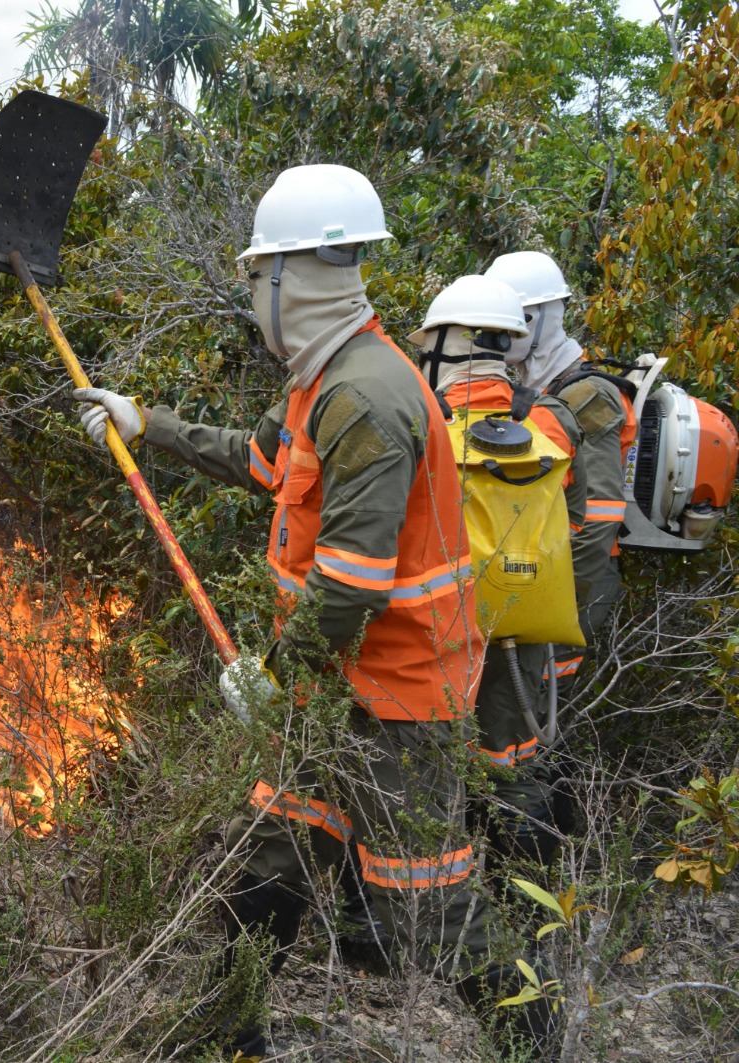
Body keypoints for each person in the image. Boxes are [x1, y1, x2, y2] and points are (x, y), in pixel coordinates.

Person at [76, 165, 544, 1057]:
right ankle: (227, 1040)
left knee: (431, 914)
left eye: (257, 278)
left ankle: (542, 1037)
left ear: (294, 278)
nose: (255, 296)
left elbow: (352, 584)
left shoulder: (366, 395)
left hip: (394, 704)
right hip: (331, 687)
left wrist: (271, 675)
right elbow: (256, 461)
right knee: (267, 871)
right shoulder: (320, 382)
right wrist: (145, 422)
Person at [409, 274, 587, 889]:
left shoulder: (422, 425)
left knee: (421, 776)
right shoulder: (552, 422)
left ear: (439, 347)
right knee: (513, 772)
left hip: (437, 639)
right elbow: (580, 519)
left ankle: (430, 919)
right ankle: (528, 918)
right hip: (524, 637)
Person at [484, 251, 633, 686]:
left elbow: (598, 518)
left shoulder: (586, 395)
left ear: (541, 319)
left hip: (578, 580)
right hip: (541, 571)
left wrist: (556, 609)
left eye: (513, 320)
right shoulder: (536, 390)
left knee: (539, 698)